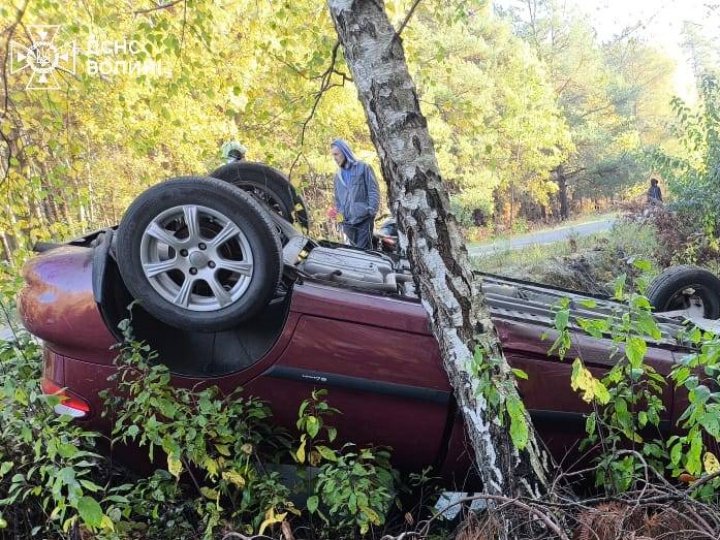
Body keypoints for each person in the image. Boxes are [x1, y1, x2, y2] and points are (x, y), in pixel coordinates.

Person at [330, 139, 380, 250]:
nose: (334, 158)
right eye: (333, 155)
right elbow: (338, 200)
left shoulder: (363, 168)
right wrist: (340, 219)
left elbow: (373, 190)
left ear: (345, 152)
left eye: (336, 154)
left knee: (362, 251)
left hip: (364, 219)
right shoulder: (337, 176)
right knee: (357, 252)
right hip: (347, 223)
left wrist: (371, 211)